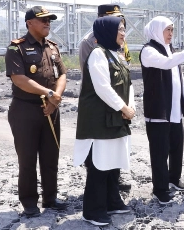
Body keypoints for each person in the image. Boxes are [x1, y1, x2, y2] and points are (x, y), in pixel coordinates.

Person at [139, 16, 184, 204]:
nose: (171, 34)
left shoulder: (170, 50)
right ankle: (160, 189)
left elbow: (179, 78)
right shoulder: (148, 51)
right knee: (160, 151)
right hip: (158, 110)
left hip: (173, 109)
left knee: (177, 145)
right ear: (157, 30)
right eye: (167, 30)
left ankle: (174, 178)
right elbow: (166, 64)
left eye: (172, 30)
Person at [5, 6, 68, 218]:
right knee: (28, 158)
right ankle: (29, 202)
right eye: (42, 20)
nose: (47, 23)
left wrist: (55, 98)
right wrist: (48, 93)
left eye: (49, 20)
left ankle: (50, 198)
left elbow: (62, 75)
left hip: (51, 109)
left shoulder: (52, 47)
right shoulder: (17, 48)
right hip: (25, 110)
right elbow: (19, 79)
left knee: (51, 155)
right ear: (29, 22)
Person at [73, 16, 136, 227]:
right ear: (108, 32)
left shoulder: (116, 55)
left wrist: (132, 105)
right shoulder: (97, 55)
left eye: (124, 29)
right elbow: (102, 88)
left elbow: (128, 84)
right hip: (99, 121)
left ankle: (112, 201)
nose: (123, 33)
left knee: (113, 162)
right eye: (119, 29)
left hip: (115, 118)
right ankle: (92, 210)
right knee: (99, 165)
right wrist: (123, 107)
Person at [78, 3, 133, 192]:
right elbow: (94, 79)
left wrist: (127, 104)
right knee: (99, 154)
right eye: (115, 19)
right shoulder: (91, 44)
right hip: (100, 104)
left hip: (116, 103)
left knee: (114, 147)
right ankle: (97, 197)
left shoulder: (116, 43)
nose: (121, 26)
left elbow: (124, 70)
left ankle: (112, 188)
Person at [78, 4, 131, 71]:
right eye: (113, 19)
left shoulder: (120, 38)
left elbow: (126, 63)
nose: (117, 22)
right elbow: (86, 71)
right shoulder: (88, 42)